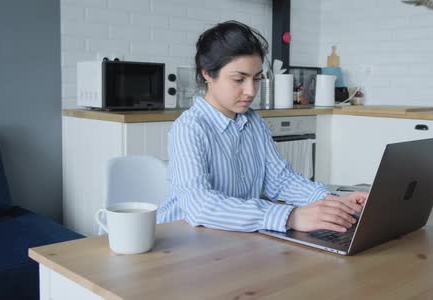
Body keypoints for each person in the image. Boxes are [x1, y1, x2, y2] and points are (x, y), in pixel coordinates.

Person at [157, 20, 368, 233]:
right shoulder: (189, 128)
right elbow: (199, 206)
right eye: (239, 79)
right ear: (207, 74)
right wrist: (290, 217)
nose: (250, 91)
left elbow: (280, 180)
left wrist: (334, 202)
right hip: (182, 239)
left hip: (231, 238)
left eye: (256, 79)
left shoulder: (253, 122)